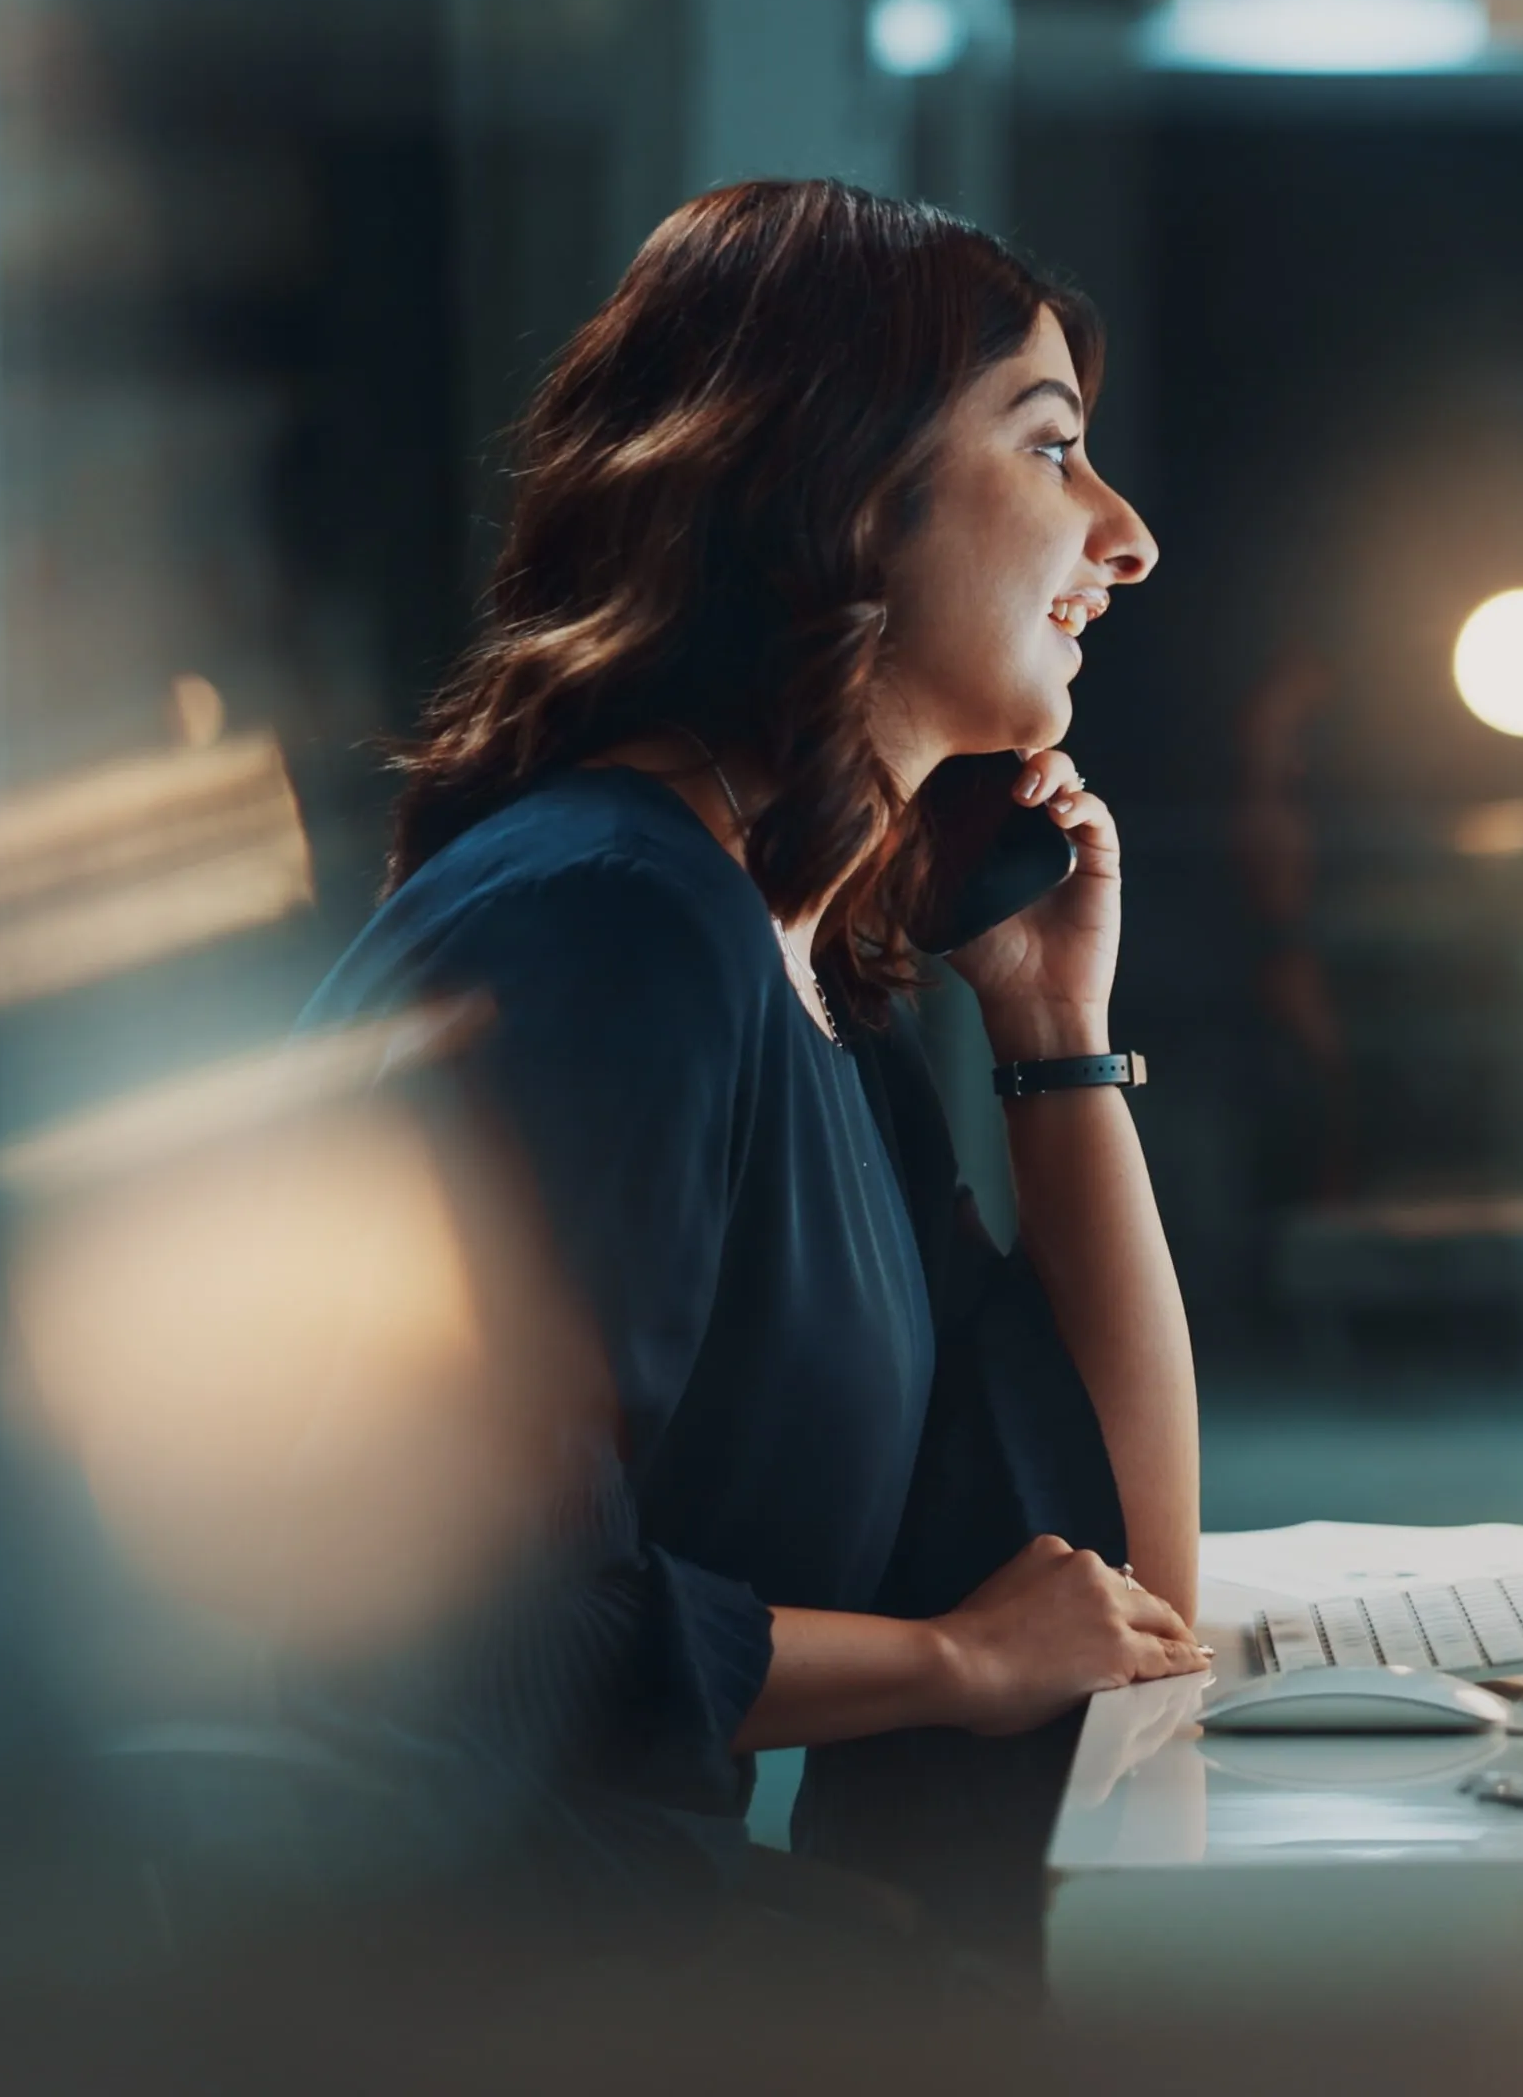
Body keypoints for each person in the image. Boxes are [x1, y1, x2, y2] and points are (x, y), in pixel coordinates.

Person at [294, 179, 1201, 1897]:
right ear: (842, 490)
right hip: (447, 1968)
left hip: (598, 1915)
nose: (1125, 533)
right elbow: (467, 1642)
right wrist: (948, 1663)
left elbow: (1125, 1596)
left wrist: (1053, 1032)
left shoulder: (804, 970)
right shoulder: (604, 929)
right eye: (1050, 446)